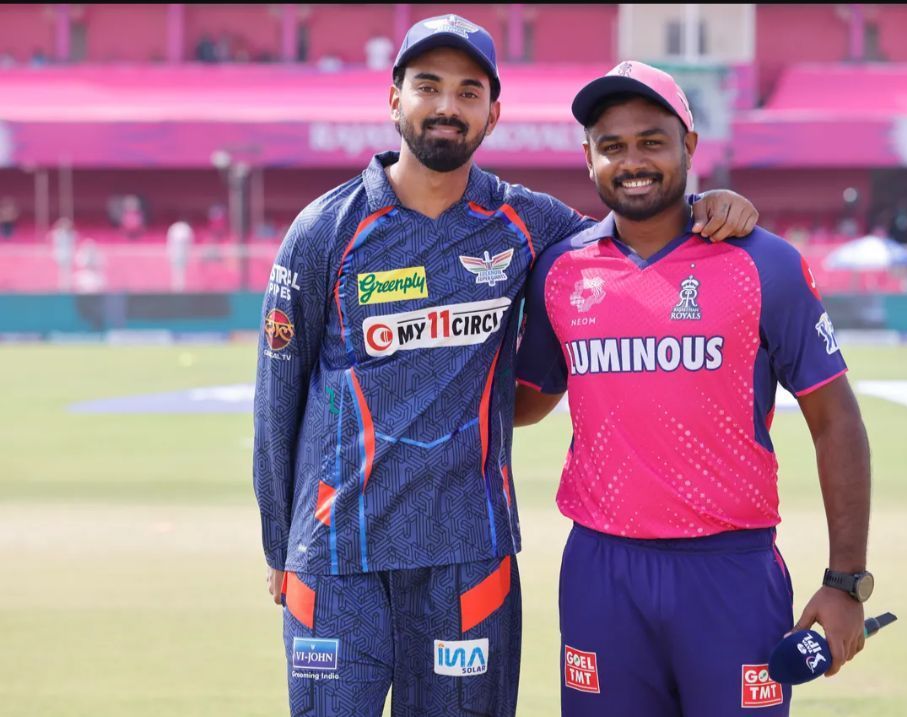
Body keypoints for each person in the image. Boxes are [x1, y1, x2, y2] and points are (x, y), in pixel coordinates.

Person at [252, 15, 760, 717]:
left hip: (468, 557)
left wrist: (700, 204)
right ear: (393, 98)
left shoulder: (529, 223)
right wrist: (279, 545)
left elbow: (629, 227)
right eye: (428, 86)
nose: (447, 106)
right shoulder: (324, 229)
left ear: (494, 112)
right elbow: (275, 402)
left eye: (468, 92)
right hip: (338, 561)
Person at [513, 61, 872, 717]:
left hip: (729, 572)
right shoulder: (561, 270)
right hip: (603, 570)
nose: (633, 161)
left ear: (690, 146)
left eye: (652, 140)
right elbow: (526, 399)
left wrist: (846, 580)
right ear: (588, 157)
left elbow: (836, 418)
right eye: (612, 145)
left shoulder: (764, 262)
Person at [166, 218, 195, 292]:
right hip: (175, 253)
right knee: (175, 271)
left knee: (182, 271)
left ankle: (182, 286)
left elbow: (190, 242)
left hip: (184, 253)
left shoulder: (186, 230)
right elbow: (170, 242)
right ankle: (176, 286)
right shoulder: (174, 228)